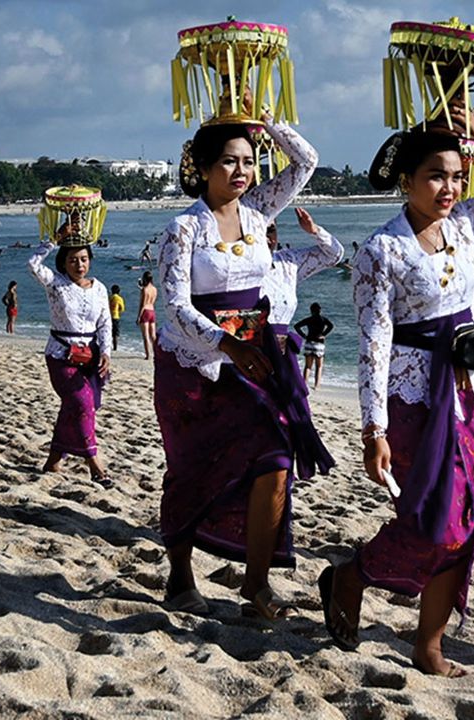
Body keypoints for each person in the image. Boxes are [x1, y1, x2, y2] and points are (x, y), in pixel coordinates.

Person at [321, 108, 474, 677]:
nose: (449, 188)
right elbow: (373, 343)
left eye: (457, 175)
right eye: (435, 176)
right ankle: (352, 575)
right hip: (415, 398)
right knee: (431, 522)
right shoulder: (380, 250)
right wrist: (372, 429)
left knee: (467, 521)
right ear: (406, 179)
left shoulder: (468, 223)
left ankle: (429, 644)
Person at [154, 106, 319, 620]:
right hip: (195, 364)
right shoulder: (183, 228)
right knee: (189, 470)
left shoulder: (260, 212)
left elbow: (306, 161)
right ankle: (180, 578)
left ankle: (257, 584)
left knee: (275, 458)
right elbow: (176, 306)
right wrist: (228, 346)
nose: (242, 172)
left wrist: (266, 121)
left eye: (249, 161)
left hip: (257, 358)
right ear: (202, 167)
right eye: (228, 162)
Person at [29, 232, 112, 480]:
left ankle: (54, 460)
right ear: (63, 262)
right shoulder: (55, 282)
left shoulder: (99, 288)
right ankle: (94, 463)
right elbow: (33, 264)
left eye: (84, 259)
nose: (80, 265)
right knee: (81, 402)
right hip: (60, 353)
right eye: (73, 260)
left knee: (79, 407)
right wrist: (54, 240)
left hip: (91, 356)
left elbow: (105, 322)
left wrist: (107, 352)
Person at [262, 209, 343, 393]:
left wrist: (314, 230)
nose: (267, 238)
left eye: (271, 231)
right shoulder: (232, 264)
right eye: (258, 230)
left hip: (282, 358)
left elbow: (334, 255)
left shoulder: (288, 262)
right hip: (245, 357)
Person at [293, 303, 334, 389]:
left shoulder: (309, 319)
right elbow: (331, 326)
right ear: (320, 310)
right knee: (319, 366)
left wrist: (303, 335)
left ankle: (304, 384)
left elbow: (296, 326)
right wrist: (324, 334)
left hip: (309, 343)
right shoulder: (323, 319)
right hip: (319, 344)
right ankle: (316, 386)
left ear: (311, 310)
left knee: (308, 366)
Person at [136, 271, 157, 360]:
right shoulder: (155, 289)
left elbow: (143, 304)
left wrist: (139, 316)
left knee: (146, 336)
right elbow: (152, 301)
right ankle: (157, 353)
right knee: (153, 335)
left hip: (145, 312)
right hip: (152, 311)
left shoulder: (145, 289)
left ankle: (148, 355)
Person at [108, 284, 125, 351]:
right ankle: (115, 347)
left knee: (109, 332)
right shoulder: (119, 298)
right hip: (115, 316)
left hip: (108, 316)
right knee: (115, 333)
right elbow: (122, 308)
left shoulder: (109, 297)